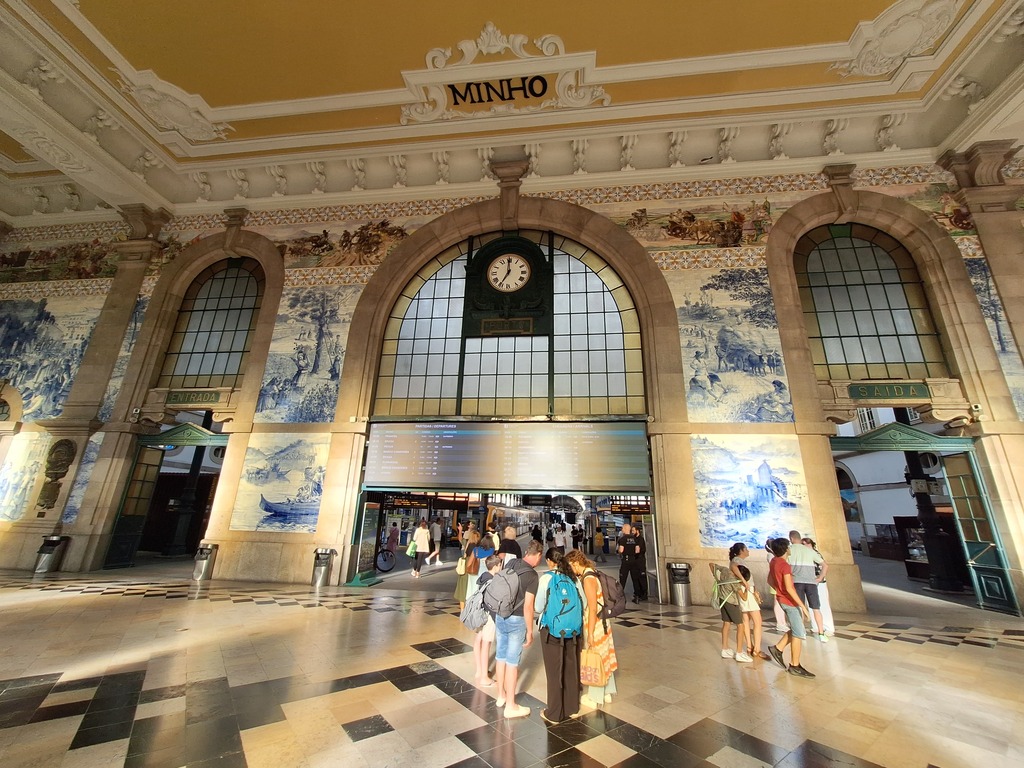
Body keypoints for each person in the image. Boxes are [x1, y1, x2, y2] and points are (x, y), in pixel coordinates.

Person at [493, 539, 543, 719]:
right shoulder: (532, 576)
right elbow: (528, 607)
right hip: (516, 620)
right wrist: (530, 631)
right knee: (512, 663)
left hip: (500, 615)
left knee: (500, 657)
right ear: (537, 555)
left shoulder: (512, 562)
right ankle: (511, 705)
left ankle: (500, 696)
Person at [534, 547, 582, 723]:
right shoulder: (572, 577)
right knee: (571, 668)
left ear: (549, 561)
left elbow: (538, 607)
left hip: (551, 631)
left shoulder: (546, 578)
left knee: (554, 671)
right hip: (574, 631)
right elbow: (582, 601)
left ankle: (554, 713)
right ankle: (572, 707)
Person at [565, 549, 617, 708]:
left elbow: (592, 607)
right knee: (605, 656)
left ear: (575, 563)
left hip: (595, 622)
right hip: (603, 621)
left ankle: (595, 697)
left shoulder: (588, 579)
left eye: (570, 567)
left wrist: (591, 633)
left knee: (596, 657)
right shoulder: (592, 572)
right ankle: (607, 691)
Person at [766, 538, 815, 678]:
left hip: (782, 598)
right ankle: (795, 665)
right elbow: (789, 588)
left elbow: (769, 580)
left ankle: (778, 648)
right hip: (789, 601)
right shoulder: (784, 565)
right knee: (799, 633)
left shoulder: (774, 561)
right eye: (789, 546)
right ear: (786, 549)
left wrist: (778, 590)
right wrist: (803, 607)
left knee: (796, 628)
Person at [788, 530, 828, 642]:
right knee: (816, 608)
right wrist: (819, 578)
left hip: (796, 582)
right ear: (800, 538)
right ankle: (821, 633)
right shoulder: (809, 550)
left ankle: (801, 632)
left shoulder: (789, 551)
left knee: (799, 607)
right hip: (811, 582)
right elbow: (825, 565)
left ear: (791, 539)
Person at [729, 543, 766, 660]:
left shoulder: (738, 560)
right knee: (757, 621)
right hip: (747, 591)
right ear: (741, 550)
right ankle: (757, 649)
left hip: (745, 590)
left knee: (746, 619)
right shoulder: (737, 560)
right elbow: (734, 567)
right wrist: (745, 581)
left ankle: (750, 647)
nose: (748, 551)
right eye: (746, 549)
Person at [710, 560, 750, 663]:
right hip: (731, 603)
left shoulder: (725, 571)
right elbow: (744, 598)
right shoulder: (734, 582)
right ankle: (739, 652)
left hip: (722, 600)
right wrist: (746, 588)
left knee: (726, 624)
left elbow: (711, 564)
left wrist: (717, 579)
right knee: (740, 625)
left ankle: (725, 649)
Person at [473, 554, 502, 687]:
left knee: (478, 640)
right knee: (486, 644)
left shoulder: (483, 577)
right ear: (496, 566)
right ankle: (484, 677)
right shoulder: (493, 581)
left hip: (480, 613)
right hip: (489, 615)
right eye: (500, 565)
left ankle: (479, 671)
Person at [802, 537, 835, 638]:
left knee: (823, 604)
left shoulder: (815, 554)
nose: (805, 546)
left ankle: (828, 627)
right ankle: (816, 625)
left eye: (807, 544)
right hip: (809, 582)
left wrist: (820, 578)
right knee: (812, 605)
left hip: (818, 583)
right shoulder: (805, 555)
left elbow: (824, 566)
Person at [616, 523, 647, 603]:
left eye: (622, 528)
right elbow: (637, 550)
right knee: (635, 579)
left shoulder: (622, 539)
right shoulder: (635, 539)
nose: (622, 530)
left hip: (626, 560)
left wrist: (619, 551)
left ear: (625, 529)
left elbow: (621, 550)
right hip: (634, 561)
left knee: (623, 578)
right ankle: (637, 596)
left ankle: (620, 596)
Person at [765, 538, 789, 633]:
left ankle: (783, 622)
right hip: (776, 580)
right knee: (777, 602)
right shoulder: (771, 556)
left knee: (780, 601)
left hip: (778, 580)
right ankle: (780, 623)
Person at [454, 530, 481, 609]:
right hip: (474, 568)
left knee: (462, 589)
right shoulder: (478, 547)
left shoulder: (467, 544)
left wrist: (460, 530)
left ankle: (462, 609)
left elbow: (460, 539)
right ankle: (470, 608)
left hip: (464, 568)